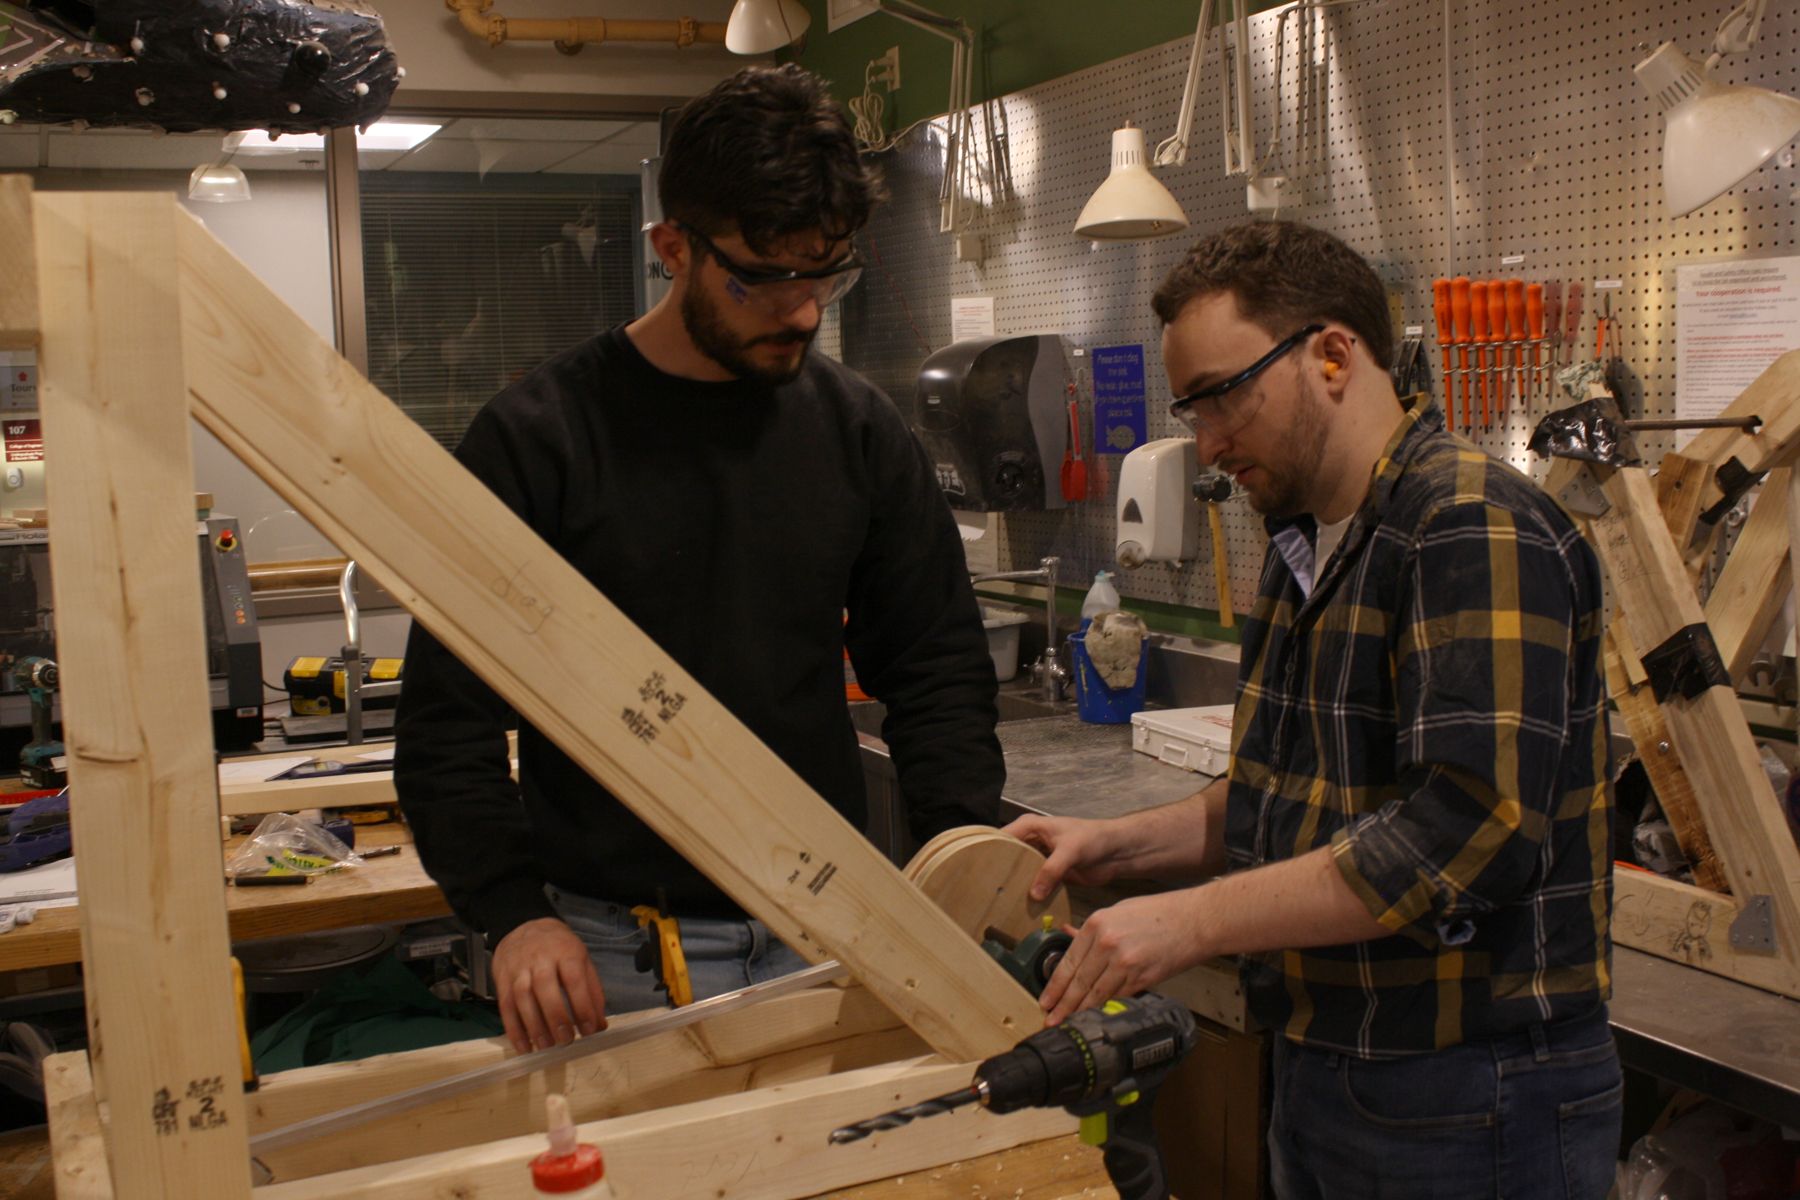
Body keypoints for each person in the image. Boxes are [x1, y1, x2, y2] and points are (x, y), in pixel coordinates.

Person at [395, 64, 1004, 1056]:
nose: (802, 311)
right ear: (672, 247)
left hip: (834, 924)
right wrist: (512, 914)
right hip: (615, 952)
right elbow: (446, 719)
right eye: (762, 277)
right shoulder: (541, 439)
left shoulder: (856, 431)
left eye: (825, 273)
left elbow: (936, 668)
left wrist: (957, 861)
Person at [1005, 221, 1619, 1199]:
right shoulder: (1304, 537)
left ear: (1333, 354)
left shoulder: (1469, 524)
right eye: (1191, 406)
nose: (1207, 442)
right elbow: (1289, 795)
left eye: (1222, 395)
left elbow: (1466, 830)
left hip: (1470, 1094)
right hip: (1333, 1066)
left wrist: (1193, 922)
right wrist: (1116, 848)